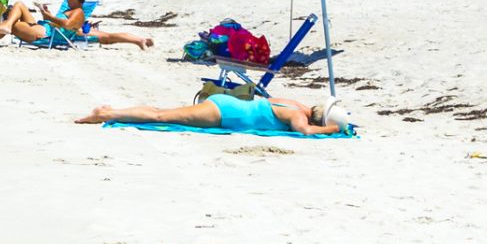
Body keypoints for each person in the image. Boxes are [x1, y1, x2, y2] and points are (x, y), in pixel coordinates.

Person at [77, 95, 350, 136]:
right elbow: (304, 132)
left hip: (227, 105)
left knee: (164, 113)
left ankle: (109, 112)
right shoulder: (298, 117)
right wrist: (333, 130)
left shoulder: (294, 103)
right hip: (225, 114)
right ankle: (105, 114)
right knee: (162, 117)